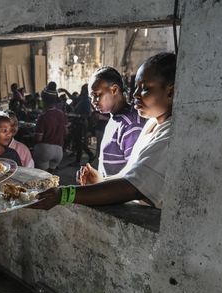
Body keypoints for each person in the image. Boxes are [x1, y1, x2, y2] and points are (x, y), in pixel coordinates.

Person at [33, 52, 176, 210]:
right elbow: (131, 173)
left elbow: (132, 186)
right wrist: (102, 181)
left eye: (145, 89)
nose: (135, 94)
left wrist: (65, 194)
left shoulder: (170, 135)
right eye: (136, 87)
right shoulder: (152, 124)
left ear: (171, 92)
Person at [78, 66, 147, 184]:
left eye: (97, 94)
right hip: (109, 193)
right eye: (91, 97)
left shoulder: (131, 124)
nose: (93, 101)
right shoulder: (115, 118)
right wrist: (98, 179)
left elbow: (134, 176)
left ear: (114, 90)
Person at [33, 83, 67, 172]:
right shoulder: (61, 114)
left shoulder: (43, 116)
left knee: (42, 178)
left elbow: (38, 138)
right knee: (51, 178)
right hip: (59, 152)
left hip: (44, 150)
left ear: (44, 100)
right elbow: (65, 132)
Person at [70, 84, 96, 165]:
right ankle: (88, 156)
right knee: (78, 142)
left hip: (81, 124)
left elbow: (88, 114)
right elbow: (73, 98)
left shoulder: (86, 101)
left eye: (82, 89)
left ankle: (84, 157)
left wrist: (77, 115)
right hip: (78, 123)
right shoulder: (82, 99)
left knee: (80, 142)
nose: (81, 91)